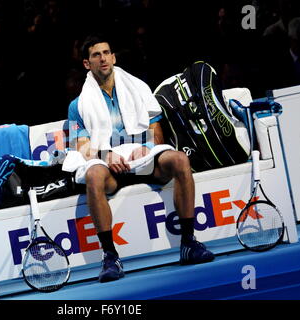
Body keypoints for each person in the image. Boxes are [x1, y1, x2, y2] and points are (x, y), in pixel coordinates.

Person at [68, 34, 214, 283]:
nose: (102, 58)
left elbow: (156, 134)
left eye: (106, 53)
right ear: (87, 63)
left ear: (113, 57)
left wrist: (145, 147)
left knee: (179, 160)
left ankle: (189, 243)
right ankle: (110, 256)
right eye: (96, 55)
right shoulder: (78, 105)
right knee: (92, 175)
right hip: (109, 167)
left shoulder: (138, 88)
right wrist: (106, 154)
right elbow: (82, 147)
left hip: (144, 160)